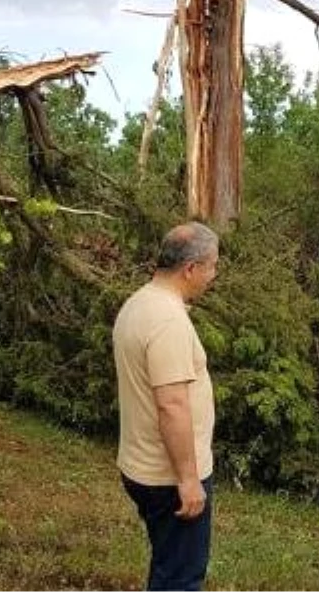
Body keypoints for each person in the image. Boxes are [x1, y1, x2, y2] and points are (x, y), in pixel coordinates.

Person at [113, 222, 220, 592]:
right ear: (190, 269)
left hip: (143, 465)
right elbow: (172, 406)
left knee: (167, 567)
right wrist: (189, 480)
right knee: (180, 579)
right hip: (168, 476)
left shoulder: (138, 303)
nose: (214, 275)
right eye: (211, 266)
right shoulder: (167, 320)